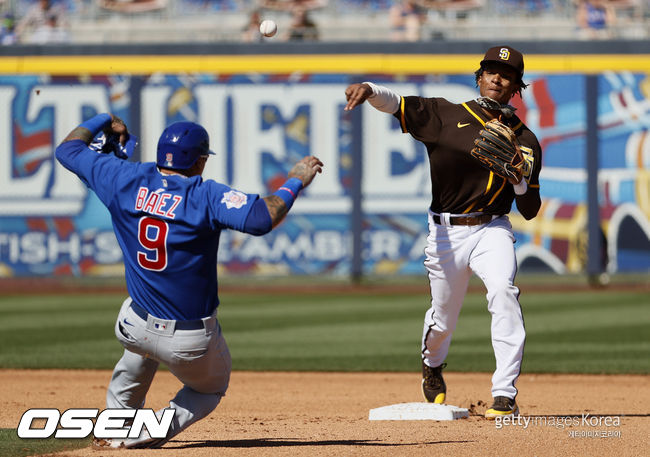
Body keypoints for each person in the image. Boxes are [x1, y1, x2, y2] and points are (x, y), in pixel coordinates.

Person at [55, 114, 323, 448]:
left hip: (134, 325)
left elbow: (67, 150)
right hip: (189, 340)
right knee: (208, 389)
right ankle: (142, 435)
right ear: (199, 161)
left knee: (139, 348)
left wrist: (103, 119)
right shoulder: (204, 195)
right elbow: (263, 216)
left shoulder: (120, 176)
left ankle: (114, 425)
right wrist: (295, 180)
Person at [344, 45, 542, 419]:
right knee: (442, 317)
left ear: (517, 85)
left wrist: (519, 179)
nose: (497, 78)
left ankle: (504, 393)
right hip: (446, 234)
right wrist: (369, 88)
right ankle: (432, 365)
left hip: (492, 228)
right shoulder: (447, 115)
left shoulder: (527, 141)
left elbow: (530, 210)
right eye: (491, 71)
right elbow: (398, 103)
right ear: (479, 77)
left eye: (506, 74)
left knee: (503, 291)